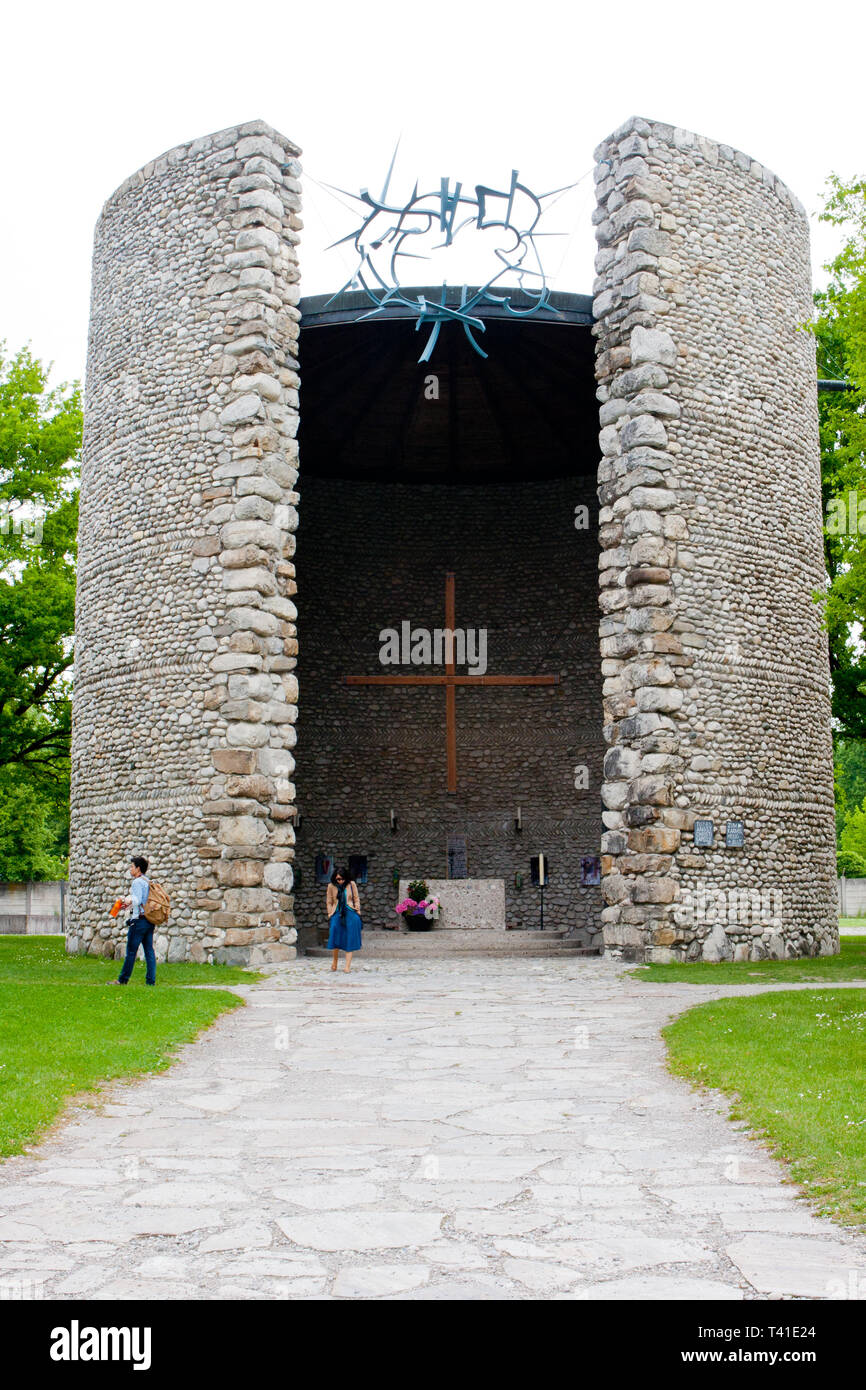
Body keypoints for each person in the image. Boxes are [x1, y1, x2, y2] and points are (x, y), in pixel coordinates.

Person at [107, 856, 156, 986]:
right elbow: (143, 901)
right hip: (149, 920)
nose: (130, 869)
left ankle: (123, 979)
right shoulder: (147, 881)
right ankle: (150, 981)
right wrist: (129, 905)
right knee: (149, 951)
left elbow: (138, 900)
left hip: (138, 921)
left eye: (132, 867)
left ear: (138, 868)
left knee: (131, 952)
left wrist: (125, 900)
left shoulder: (137, 882)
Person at [326, 866, 362, 973]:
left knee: (350, 938)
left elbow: (356, 898)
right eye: (338, 879)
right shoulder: (331, 886)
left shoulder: (351, 884)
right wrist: (329, 914)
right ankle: (335, 962)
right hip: (336, 913)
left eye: (342, 879)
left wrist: (358, 910)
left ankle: (347, 966)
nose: (340, 881)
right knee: (335, 936)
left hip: (350, 912)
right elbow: (329, 901)